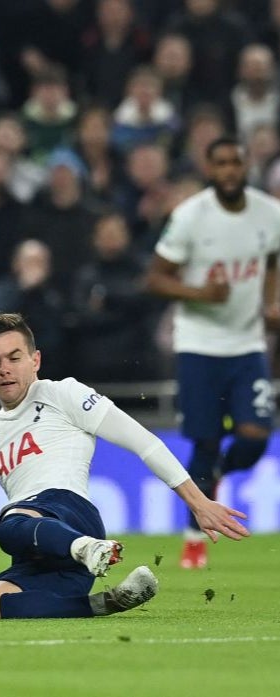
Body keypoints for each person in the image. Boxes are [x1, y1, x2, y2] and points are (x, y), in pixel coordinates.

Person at [0, 312, 250, 620]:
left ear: (35, 360)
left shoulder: (63, 395)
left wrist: (197, 501)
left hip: (69, 514)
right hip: (37, 552)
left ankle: (86, 548)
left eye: (14, 357)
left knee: (9, 522)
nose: (4, 369)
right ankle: (98, 603)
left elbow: (143, 441)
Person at [145, 135, 280, 569]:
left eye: (235, 163)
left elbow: (274, 259)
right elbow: (156, 278)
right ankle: (194, 539)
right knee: (205, 442)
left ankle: (217, 476)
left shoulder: (269, 213)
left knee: (256, 435)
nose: (228, 171)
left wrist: (271, 302)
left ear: (245, 167)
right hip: (199, 345)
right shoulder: (189, 217)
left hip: (246, 343)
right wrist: (199, 292)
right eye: (220, 163)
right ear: (210, 168)